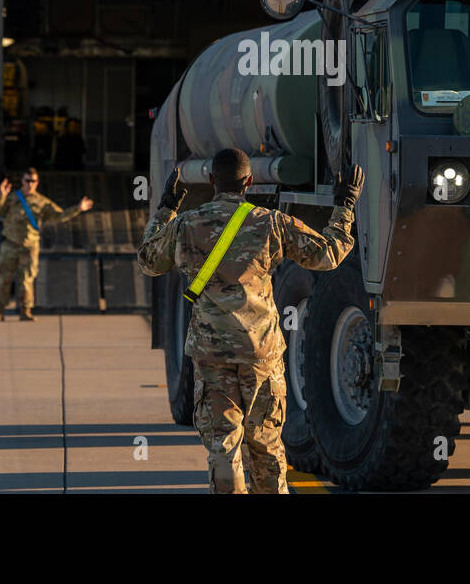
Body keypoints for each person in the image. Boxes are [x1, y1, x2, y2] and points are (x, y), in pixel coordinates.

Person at [136, 148, 362, 494]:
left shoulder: (187, 224)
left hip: (211, 354)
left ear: (211, 180)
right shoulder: (271, 222)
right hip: (262, 354)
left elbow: (149, 260)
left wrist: (166, 208)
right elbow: (328, 255)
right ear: (250, 182)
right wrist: (345, 206)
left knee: (223, 446)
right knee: (266, 443)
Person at [0, 167, 93, 321]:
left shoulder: (42, 202)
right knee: (4, 279)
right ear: (22, 181)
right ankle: (0, 311)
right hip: (10, 244)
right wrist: (2, 196)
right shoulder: (12, 198)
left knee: (27, 281)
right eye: (27, 181)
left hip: (29, 246)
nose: (30, 184)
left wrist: (77, 209)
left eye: (33, 181)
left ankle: (25, 311)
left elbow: (59, 216)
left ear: (37, 182)